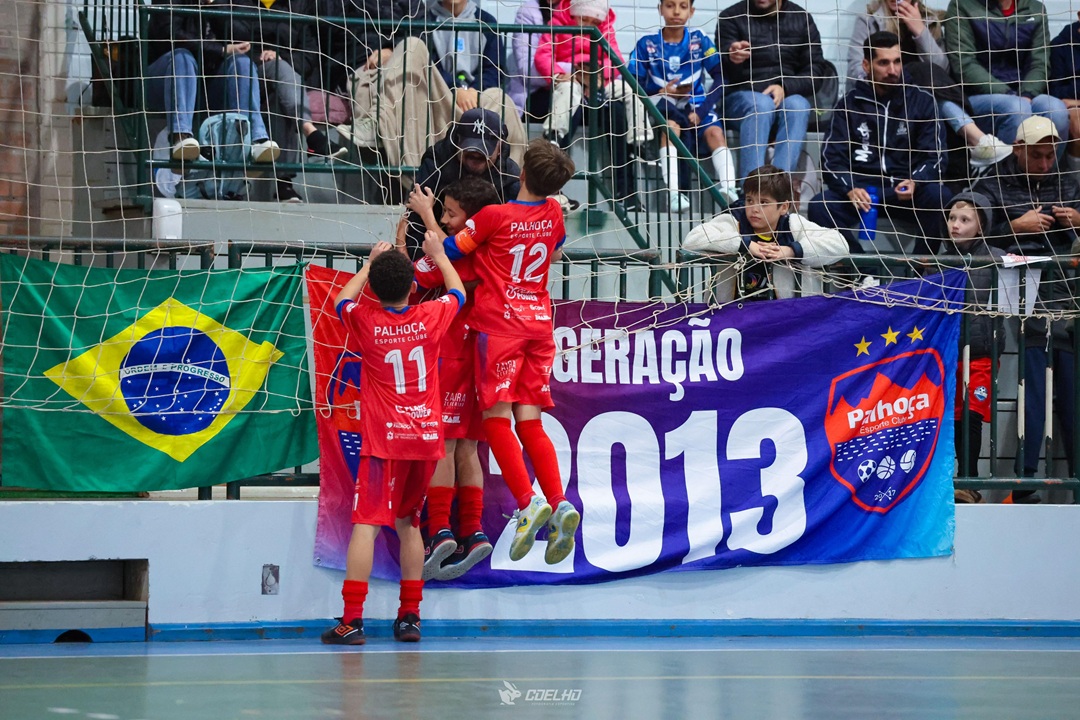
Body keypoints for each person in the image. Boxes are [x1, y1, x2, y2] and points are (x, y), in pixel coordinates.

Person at [442, 138, 581, 565]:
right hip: (538, 326)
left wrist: (432, 221)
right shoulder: (554, 212)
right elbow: (555, 249)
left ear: (520, 174)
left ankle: (527, 503)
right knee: (531, 421)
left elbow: (451, 249)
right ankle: (558, 501)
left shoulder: (493, 216)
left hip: (500, 328)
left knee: (496, 420)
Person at [321, 235, 465, 645]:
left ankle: (352, 621)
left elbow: (341, 300)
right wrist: (438, 255)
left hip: (385, 442)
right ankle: (410, 617)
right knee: (409, 524)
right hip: (425, 440)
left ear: (375, 288)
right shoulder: (431, 315)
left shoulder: (366, 321)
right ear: (412, 286)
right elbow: (457, 291)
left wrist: (368, 265)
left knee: (366, 526)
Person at [972, 116, 1080, 499]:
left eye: (1051, 156)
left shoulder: (1070, 178)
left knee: (1065, 382)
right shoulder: (991, 181)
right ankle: (1025, 477)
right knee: (1039, 377)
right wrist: (1015, 228)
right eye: (1037, 156)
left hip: (1063, 289)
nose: (1046, 164)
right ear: (1018, 148)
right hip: (1012, 286)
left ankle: (1034, 478)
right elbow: (969, 231)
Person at [406, 176, 502, 581]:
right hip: (486, 354)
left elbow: (420, 274)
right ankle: (474, 532)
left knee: (444, 446)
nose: (445, 220)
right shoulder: (498, 248)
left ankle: (440, 530)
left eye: (451, 213)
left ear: (473, 221)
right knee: (469, 447)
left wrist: (420, 222)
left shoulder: (455, 253)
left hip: (451, 353)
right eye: (442, 211)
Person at [809, 32, 951, 254]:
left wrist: (916, 181)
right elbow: (830, 160)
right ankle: (859, 269)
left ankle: (919, 269)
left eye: (897, 62)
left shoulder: (922, 101)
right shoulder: (849, 105)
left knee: (940, 197)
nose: (893, 70)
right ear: (866, 65)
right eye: (884, 63)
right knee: (820, 206)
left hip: (905, 193)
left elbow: (936, 156)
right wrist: (849, 188)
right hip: (862, 193)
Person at [847, 0, 1010, 169]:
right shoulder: (869, 20)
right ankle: (976, 139)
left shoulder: (930, 19)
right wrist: (891, 78)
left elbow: (942, 70)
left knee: (1012, 106)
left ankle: (997, 167)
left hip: (929, 99)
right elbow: (855, 70)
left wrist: (920, 31)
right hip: (887, 96)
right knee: (920, 70)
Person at [535, 0, 650, 207]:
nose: (588, 25)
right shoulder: (557, 25)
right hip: (571, 79)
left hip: (599, 81)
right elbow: (543, 55)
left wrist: (597, 75)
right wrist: (559, 73)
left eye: (594, 22)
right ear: (572, 14)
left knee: (630, 91)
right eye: (583, 19)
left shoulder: (606, 29)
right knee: (568, 91)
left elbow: (615, 60)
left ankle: (639, 140)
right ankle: (554, 134)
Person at [628, 0, 738, 212]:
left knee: (715, 132)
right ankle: (674, 195)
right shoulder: (647, 43)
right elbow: (633, 82)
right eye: (670, 5)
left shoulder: (699, 39)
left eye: (683, 6)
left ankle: (730, 189)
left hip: (697, 106)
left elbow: (720, 77)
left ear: (691, 11)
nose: (676, 11)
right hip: (664, 104)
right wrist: (660, 90)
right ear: (660, 9)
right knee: (670, 129)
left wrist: (702, 111)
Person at [683, 165, 847, 301]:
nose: (754, 209)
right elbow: (691, 240)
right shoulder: (733, 221)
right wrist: (743, 245)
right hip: (732, 318)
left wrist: (792, 250)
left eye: (764, 202)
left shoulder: (793, 224)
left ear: (783, 207)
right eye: (749, 200)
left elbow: (840, 244)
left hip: (784, 317)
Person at [146, 0, 280, 163]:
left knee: (242, 62)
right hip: (166, 80)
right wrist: (220, 50)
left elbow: (243, 36)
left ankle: (255, 140)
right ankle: (180, 138)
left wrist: (214, 5)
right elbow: (169, 34)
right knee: (182, 57)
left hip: (207, 85)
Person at [716, 0, 830, 177]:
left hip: (786, 95)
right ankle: (751, 187)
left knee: (798, 106)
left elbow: (815, 72)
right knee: (761, 105)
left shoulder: (801, 18)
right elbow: (719, 71)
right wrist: (732, 58)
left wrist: (785, 87)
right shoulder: (731, 17)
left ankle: (778, 187)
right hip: (741, 97)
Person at [940, 192, 1002, 502]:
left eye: (965, 220)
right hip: (948, 352)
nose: (956, 224)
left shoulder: (997, 259)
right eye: (952, 218)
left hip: (981, 355)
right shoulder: (937, 259)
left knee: (972, 415)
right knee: (953, 418)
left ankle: (969, 481)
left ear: (982, 226)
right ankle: (950, 481)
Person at [943, 0, 1068, 147]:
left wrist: (1027, 93)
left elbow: (1039, 63)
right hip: (977, 95)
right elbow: (965, 64)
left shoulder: (1035, 8)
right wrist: (1008, 93)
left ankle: (1047, 163)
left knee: (1056, 110)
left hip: (1025, 93)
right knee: (1017, 109)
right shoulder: (962, 6)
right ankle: (1005, 162)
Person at [403, 108, 522, 258]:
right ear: (457, 140)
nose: (476, 154)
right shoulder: (435, 165)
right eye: (470, 148)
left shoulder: (509, 178)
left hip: (486, 260)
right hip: (432, 254)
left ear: (500, 146)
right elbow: (415, 225)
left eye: (484, 150)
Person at [509, 0, 556, 119]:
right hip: (534, 93)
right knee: (569, 101)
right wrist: (572, 72)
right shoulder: (528, 12)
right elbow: (527, 70)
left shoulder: (582, 11)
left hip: (580, 88)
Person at [1048, 11, 1080, 172]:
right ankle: (1076, 182)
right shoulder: (1061, 45)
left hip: (1075, 100)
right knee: (1078, 126)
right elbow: (1056, 90)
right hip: (1072, 106)